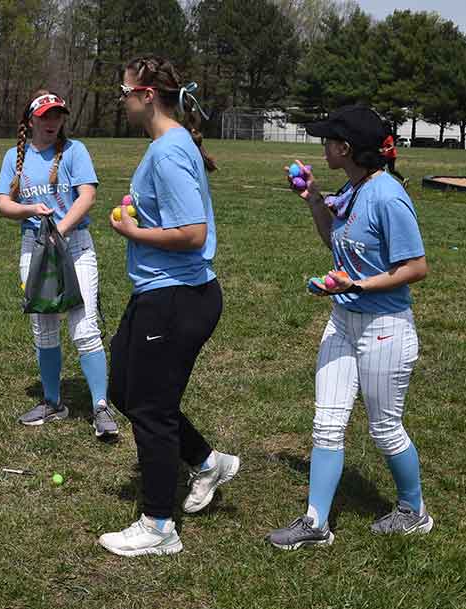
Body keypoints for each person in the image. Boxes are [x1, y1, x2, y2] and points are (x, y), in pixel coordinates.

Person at [267, 105, 432, 550]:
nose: (323, 146)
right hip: (343, 320)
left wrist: (356, 282)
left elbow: (416, 267)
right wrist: (315, 200)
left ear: (346, 148)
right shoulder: (353, 187)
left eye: (328, 140)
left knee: (384, 428)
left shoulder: (387, 195)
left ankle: (413, 511)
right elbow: (334, 241)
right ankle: (316, 523)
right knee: (327, 422)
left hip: (385, 327)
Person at [97, 55, 239, 558]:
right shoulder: (165, 148)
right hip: (156, 292)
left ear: (147, 96)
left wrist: (134, 231)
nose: (121, 98)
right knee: (124, 389)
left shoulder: (168, 151)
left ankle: (159, 525)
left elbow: (193, 233)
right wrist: (140, 210)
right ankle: (205, 462)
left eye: (124, 90)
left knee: (151, 410)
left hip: (178, 296)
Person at [0, 90, 119, 439]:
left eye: (58, 116)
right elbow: (4, 202)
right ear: (31, 120)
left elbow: (88, 196)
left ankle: (100, 407)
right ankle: (52, 402)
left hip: (75, 245)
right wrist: (31, 211)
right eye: (46, 116)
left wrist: (60, 231)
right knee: (44, 326)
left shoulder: (75, 151)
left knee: (85, 327)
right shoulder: (14, 157)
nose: (53, 122)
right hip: (34, 248)